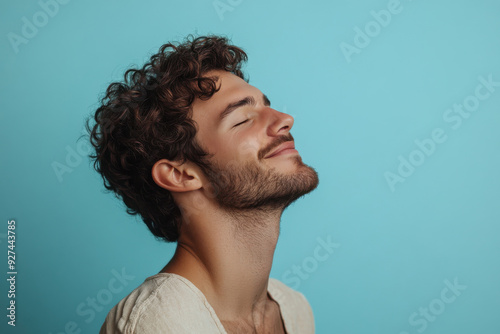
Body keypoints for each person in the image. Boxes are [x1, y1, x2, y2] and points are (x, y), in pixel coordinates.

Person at [86, 34, 319, 334]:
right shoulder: (159, 323)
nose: (285, 119)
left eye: (266, 106)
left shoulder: (294, 309)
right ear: (180, 175)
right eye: (242, 120)